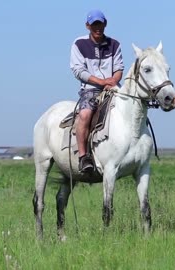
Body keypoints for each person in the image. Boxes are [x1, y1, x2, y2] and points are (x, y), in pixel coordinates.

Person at [70, 9, 124, 172]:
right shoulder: (79, 44)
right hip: (91, 90)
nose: (97, 27)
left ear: (105, 23)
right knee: (85, 115)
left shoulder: (114, 44)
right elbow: (78, 71)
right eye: (94, 24)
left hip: (113, 88)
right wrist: (101, 81)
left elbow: (119, 68)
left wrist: (113, 81)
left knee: (131, 110)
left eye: (100, 23)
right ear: (88, 26)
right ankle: (83, 156)